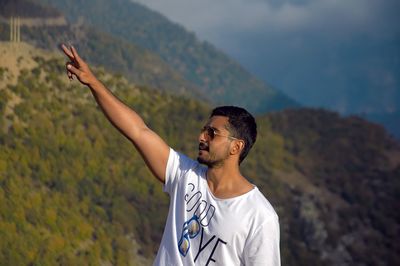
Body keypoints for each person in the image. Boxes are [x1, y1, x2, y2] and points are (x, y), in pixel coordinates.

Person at [61, 44, 280, 266]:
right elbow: (138, 131)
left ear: (236, 147)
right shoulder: (185, 176)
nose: (201, 137)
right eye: (204, 130)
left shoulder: (259, 216)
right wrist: (92, 82)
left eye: (212, 133)